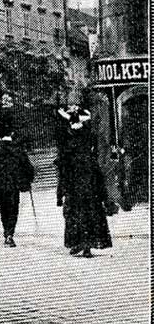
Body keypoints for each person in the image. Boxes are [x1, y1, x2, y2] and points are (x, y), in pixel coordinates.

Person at [57, 107, 112, 257]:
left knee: (75, 213)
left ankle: (78, 242)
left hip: (74, 180)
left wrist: (60, 193)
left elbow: (63, 167)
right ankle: (87, 244)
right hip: (89, 178)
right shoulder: (89, 136)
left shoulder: (67, 138)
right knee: (91, 212)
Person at [0, 120, 34, 247]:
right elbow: (28, 168)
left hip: (0, 186)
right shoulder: (17, 150)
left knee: (4, 208)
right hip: (13, 185)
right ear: (12, 133)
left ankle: (7, 233)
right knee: (13, 209)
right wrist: (27, 180)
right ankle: (10, 233)